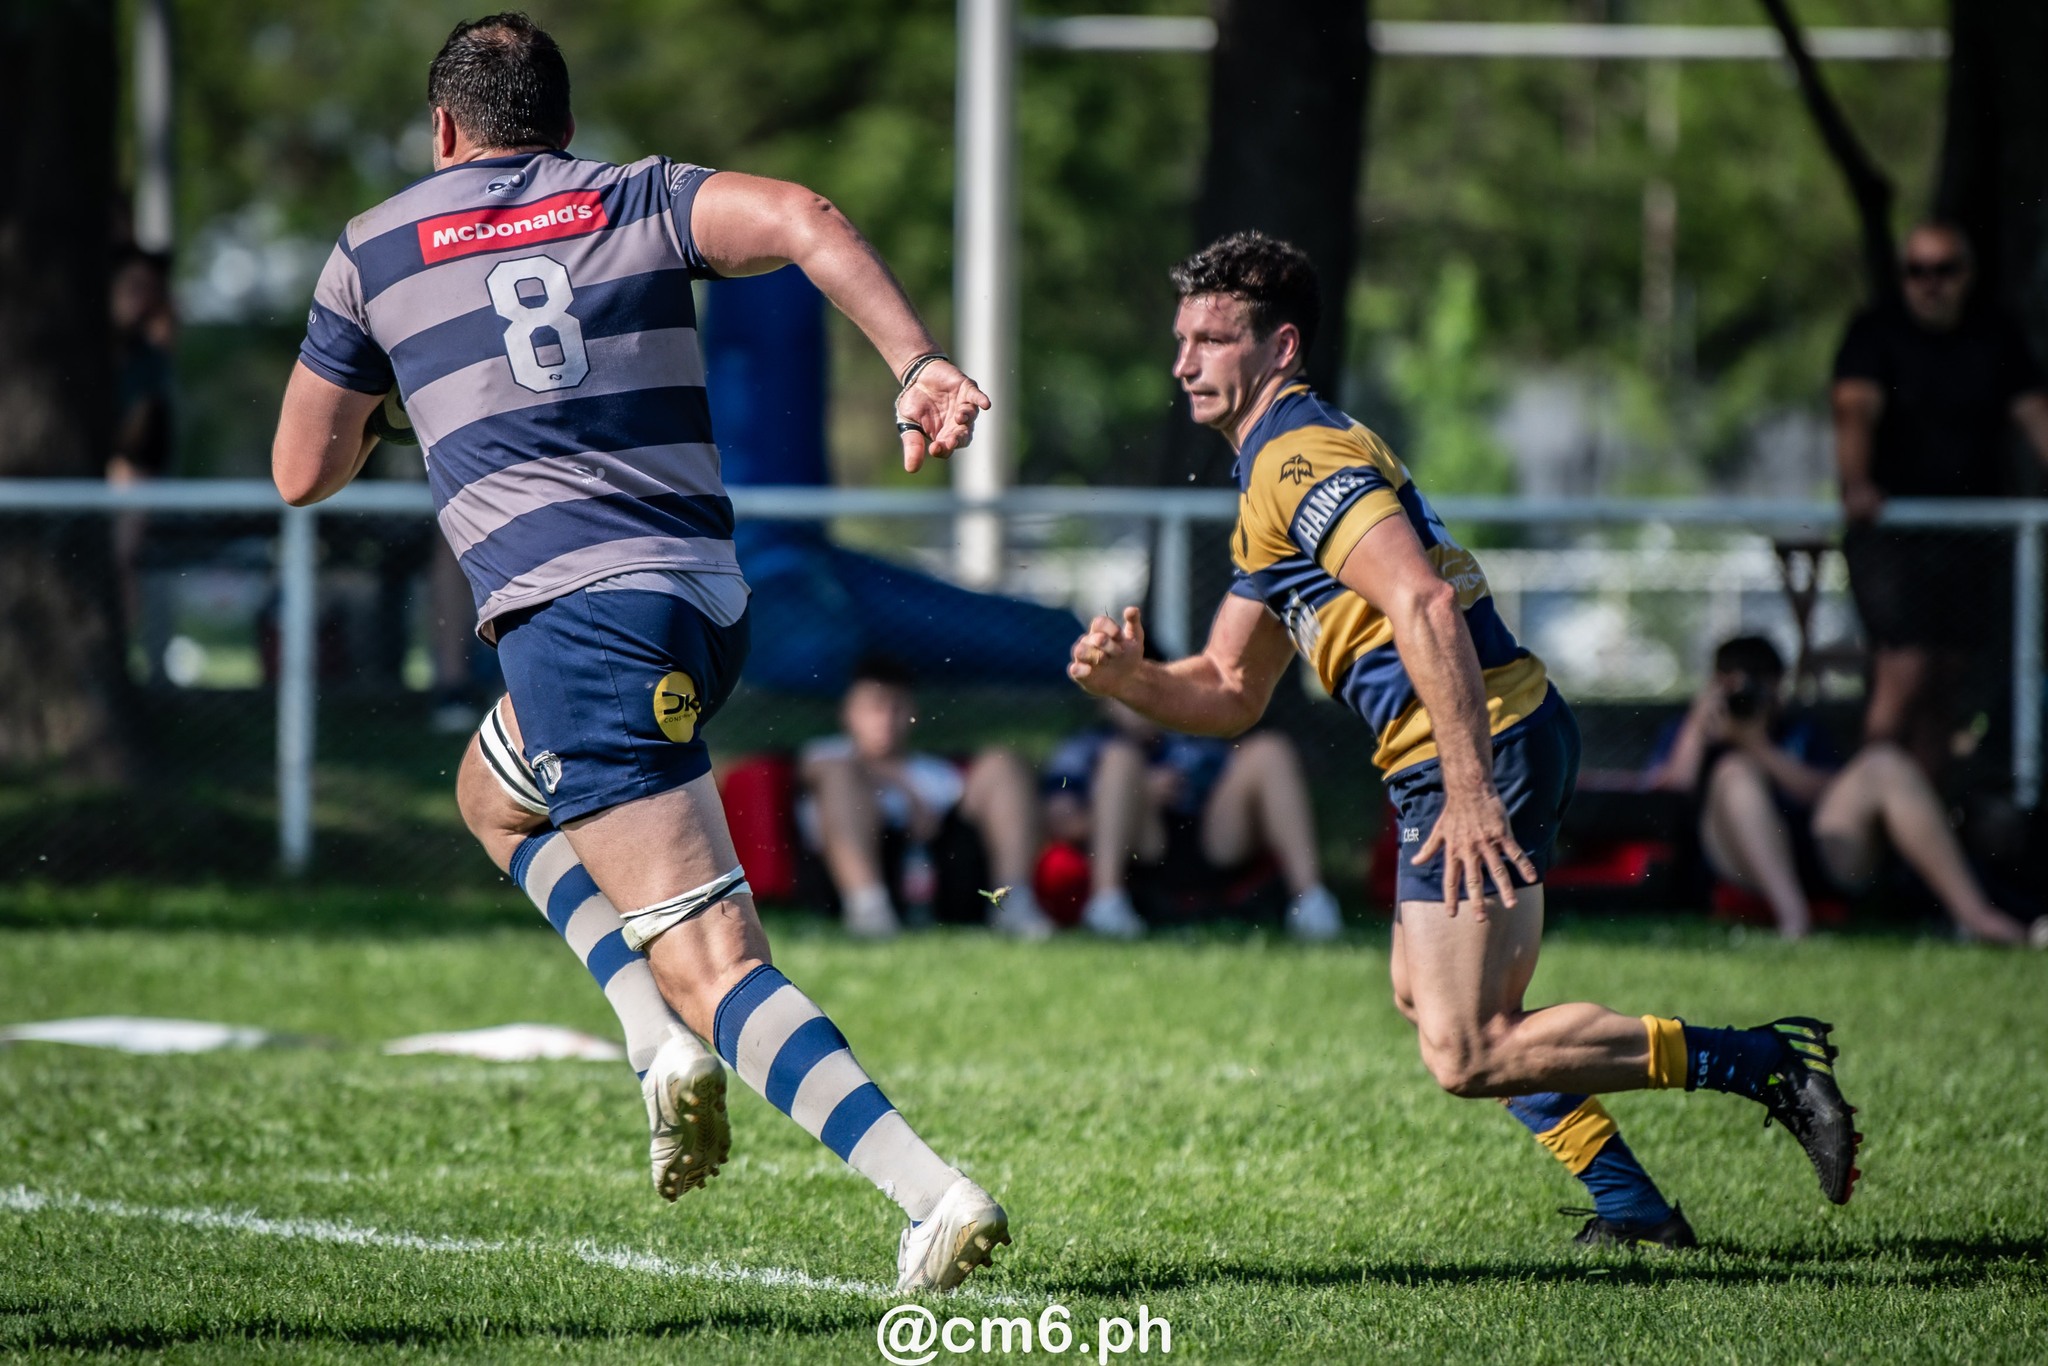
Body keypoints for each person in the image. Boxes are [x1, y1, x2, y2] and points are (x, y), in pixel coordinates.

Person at [270, 14, 1008, 1292]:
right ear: (561, 126)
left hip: (578, 625)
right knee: (492, 794)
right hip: (702, 605)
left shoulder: (374, 248)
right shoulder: (634, 196)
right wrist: (918, 361)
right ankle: (651, 1039)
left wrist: (403, 407)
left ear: (441, 127)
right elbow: (805, 215)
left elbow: (300, 472)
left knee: (714, 962)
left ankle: (929, 1191)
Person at [1069, 231, 1862, 1248]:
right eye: (1181, 340)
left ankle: (1763, 1066)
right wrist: (1130, 681)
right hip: (1472, 745)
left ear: (1281, 348)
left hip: (1480, 747)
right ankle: (1631, 1207)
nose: (1184, 363)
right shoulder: (1267, 477)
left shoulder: (1300, 456)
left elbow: (1425, 604)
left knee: (1467, 1048)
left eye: (1213, 340)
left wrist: (1470, 787)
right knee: (1432, 1002)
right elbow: (1229, 688)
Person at [1648, 635, 2034, 945]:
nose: (1747, 690)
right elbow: (1669, 793)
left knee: (1884, 762)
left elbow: (1827, 791)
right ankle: (1794, 920)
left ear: (1779, 685)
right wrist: (1697, 728)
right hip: (1738, 861)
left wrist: (1759, 746)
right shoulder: (1690, 729)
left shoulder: (1801, 729)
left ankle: (1978, 917)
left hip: (1823, 849)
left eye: (1761, 678)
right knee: (1735, 772)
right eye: (1734, 679)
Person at [1833, 222, 2048, 772]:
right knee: (1904, 674)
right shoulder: (1874, 331)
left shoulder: (1995, 335)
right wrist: (1856, 482)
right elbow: (1854, 410)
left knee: (1944, 686)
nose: (1930, 283)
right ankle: (1860, 810)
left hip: (1969, 534)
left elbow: (2036, 417)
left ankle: (1919, 813)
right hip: (1892, 534)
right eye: (1916, 271)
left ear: (1967, 275)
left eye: (1944, 270)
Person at [797, 653, 1055, 939]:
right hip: (859, 872)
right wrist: (903, 789)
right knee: (842, 777)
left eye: (897, 708)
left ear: (913, 714)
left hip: (943, 871)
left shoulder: (934, 771)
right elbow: (812, 771)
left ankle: (1013, 901)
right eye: (874, 708)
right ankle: (868, 909)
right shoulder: (828, 754)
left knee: (1003, 763)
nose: (885, 720)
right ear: (849, 713)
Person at [1041, 699, 1341, 940]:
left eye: (1145, 689)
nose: (1138, 703)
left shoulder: (1194, 735)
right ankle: (1106, 905)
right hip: (1143, 852)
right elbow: (1062, 822)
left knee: (1270, 749)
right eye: (1124, 693)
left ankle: (1311, 902)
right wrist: (1139, 795)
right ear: (1104, 701)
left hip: (1212, 841)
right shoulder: (1085, 747)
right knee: (1121, 759)